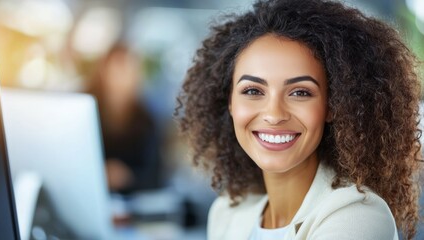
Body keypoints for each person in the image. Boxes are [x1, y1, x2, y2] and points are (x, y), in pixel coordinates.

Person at [175, 0, 422, 239]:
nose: (274, 115)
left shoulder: (359, 216)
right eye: (253, 91)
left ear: (332, 106)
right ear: (229, 102)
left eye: (300, 92)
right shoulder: (227, 212)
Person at [87, 43, 161, 194]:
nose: (127, 75)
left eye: (132, 68)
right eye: (120, 67)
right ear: (104, 71)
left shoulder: (146, 119)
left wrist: (128, 177)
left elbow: (156, 174)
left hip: (130, 202)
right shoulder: (84, 109)